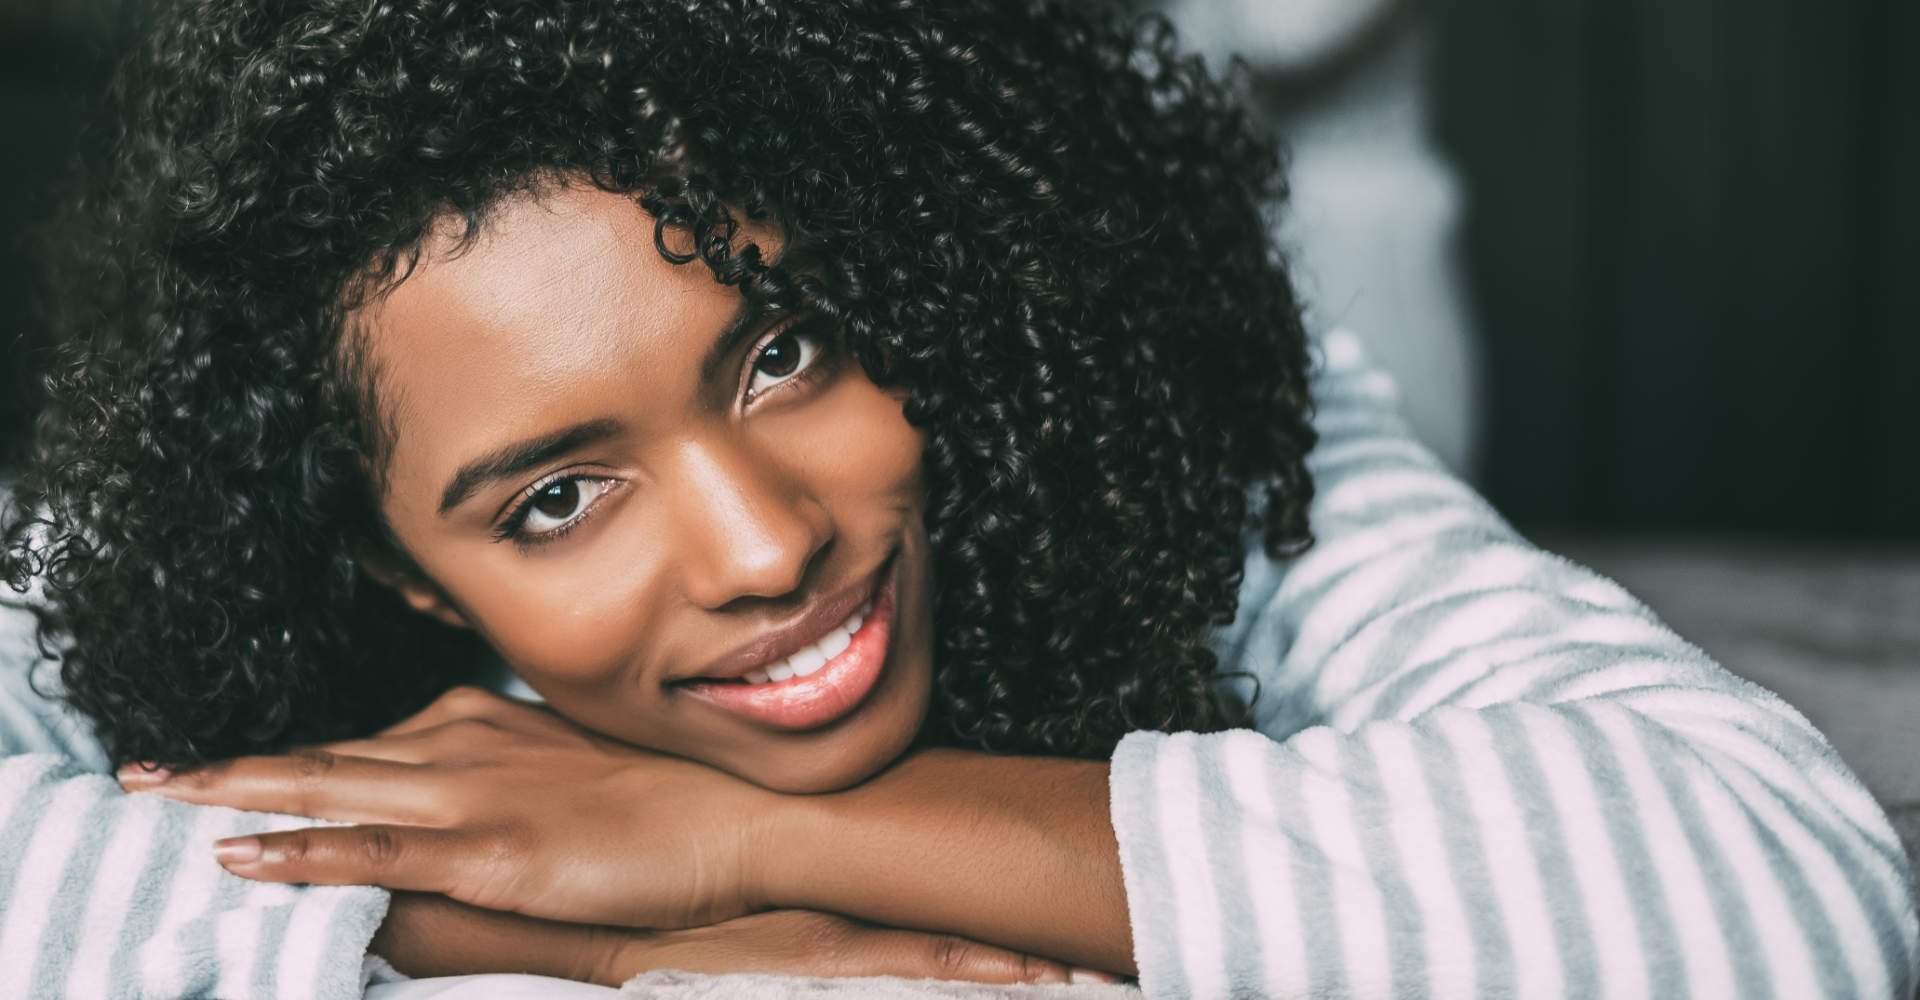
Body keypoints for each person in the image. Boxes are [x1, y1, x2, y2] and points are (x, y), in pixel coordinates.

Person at [1, 1, 1913, 997]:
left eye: (786, 352)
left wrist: (728, 840)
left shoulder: (1192, 425)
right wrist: (556, 933)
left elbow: (1774, 895)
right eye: (560, 499)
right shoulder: (193, 539)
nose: (764, 548)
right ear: (393, 570)